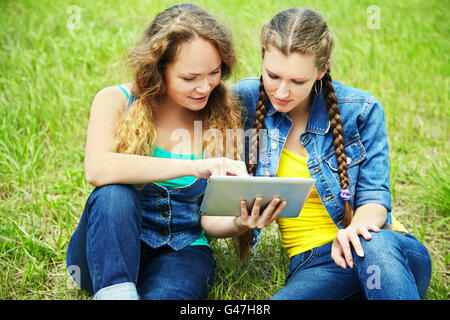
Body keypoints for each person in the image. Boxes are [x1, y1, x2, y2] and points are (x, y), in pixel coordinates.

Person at [66, 3, 276, 300]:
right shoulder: (115, 100)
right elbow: (97, 169)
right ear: (158, 69)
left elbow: (210, 220)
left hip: (183, 250)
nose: (204, 87)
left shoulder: (223, 113)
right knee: (114, 193)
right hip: (106, 252)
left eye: (214, 73)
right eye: (189, 78)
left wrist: (240, 222)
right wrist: (192, 167)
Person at [231, 8, 432, 299]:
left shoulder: (360, 109)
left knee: (371, 243)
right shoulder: (245, 98)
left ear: (322, 70)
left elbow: (376, 199)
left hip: (382, 250)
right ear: (262, 58)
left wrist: (354, 231)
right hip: (317, 265)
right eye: (273, 75)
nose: (282, 91)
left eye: (298, 81)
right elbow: (188, 98)